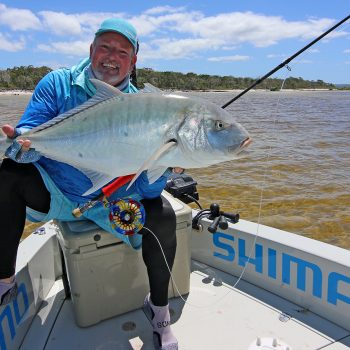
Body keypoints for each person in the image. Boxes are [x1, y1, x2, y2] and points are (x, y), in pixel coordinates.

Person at [0, 18, 179, 350]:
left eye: (122, 51)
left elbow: (150, 191)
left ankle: (159, 310)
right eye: (105, 47)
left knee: (164, 214)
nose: (111, 57)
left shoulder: (146, 108)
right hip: (57, 193)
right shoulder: (58, 84)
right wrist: (19, 144)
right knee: (8, 175)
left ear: (134, 60)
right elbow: (26, 143)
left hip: (112, 204)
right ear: (91, 50)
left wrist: (164, 163)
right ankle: (4, 280)